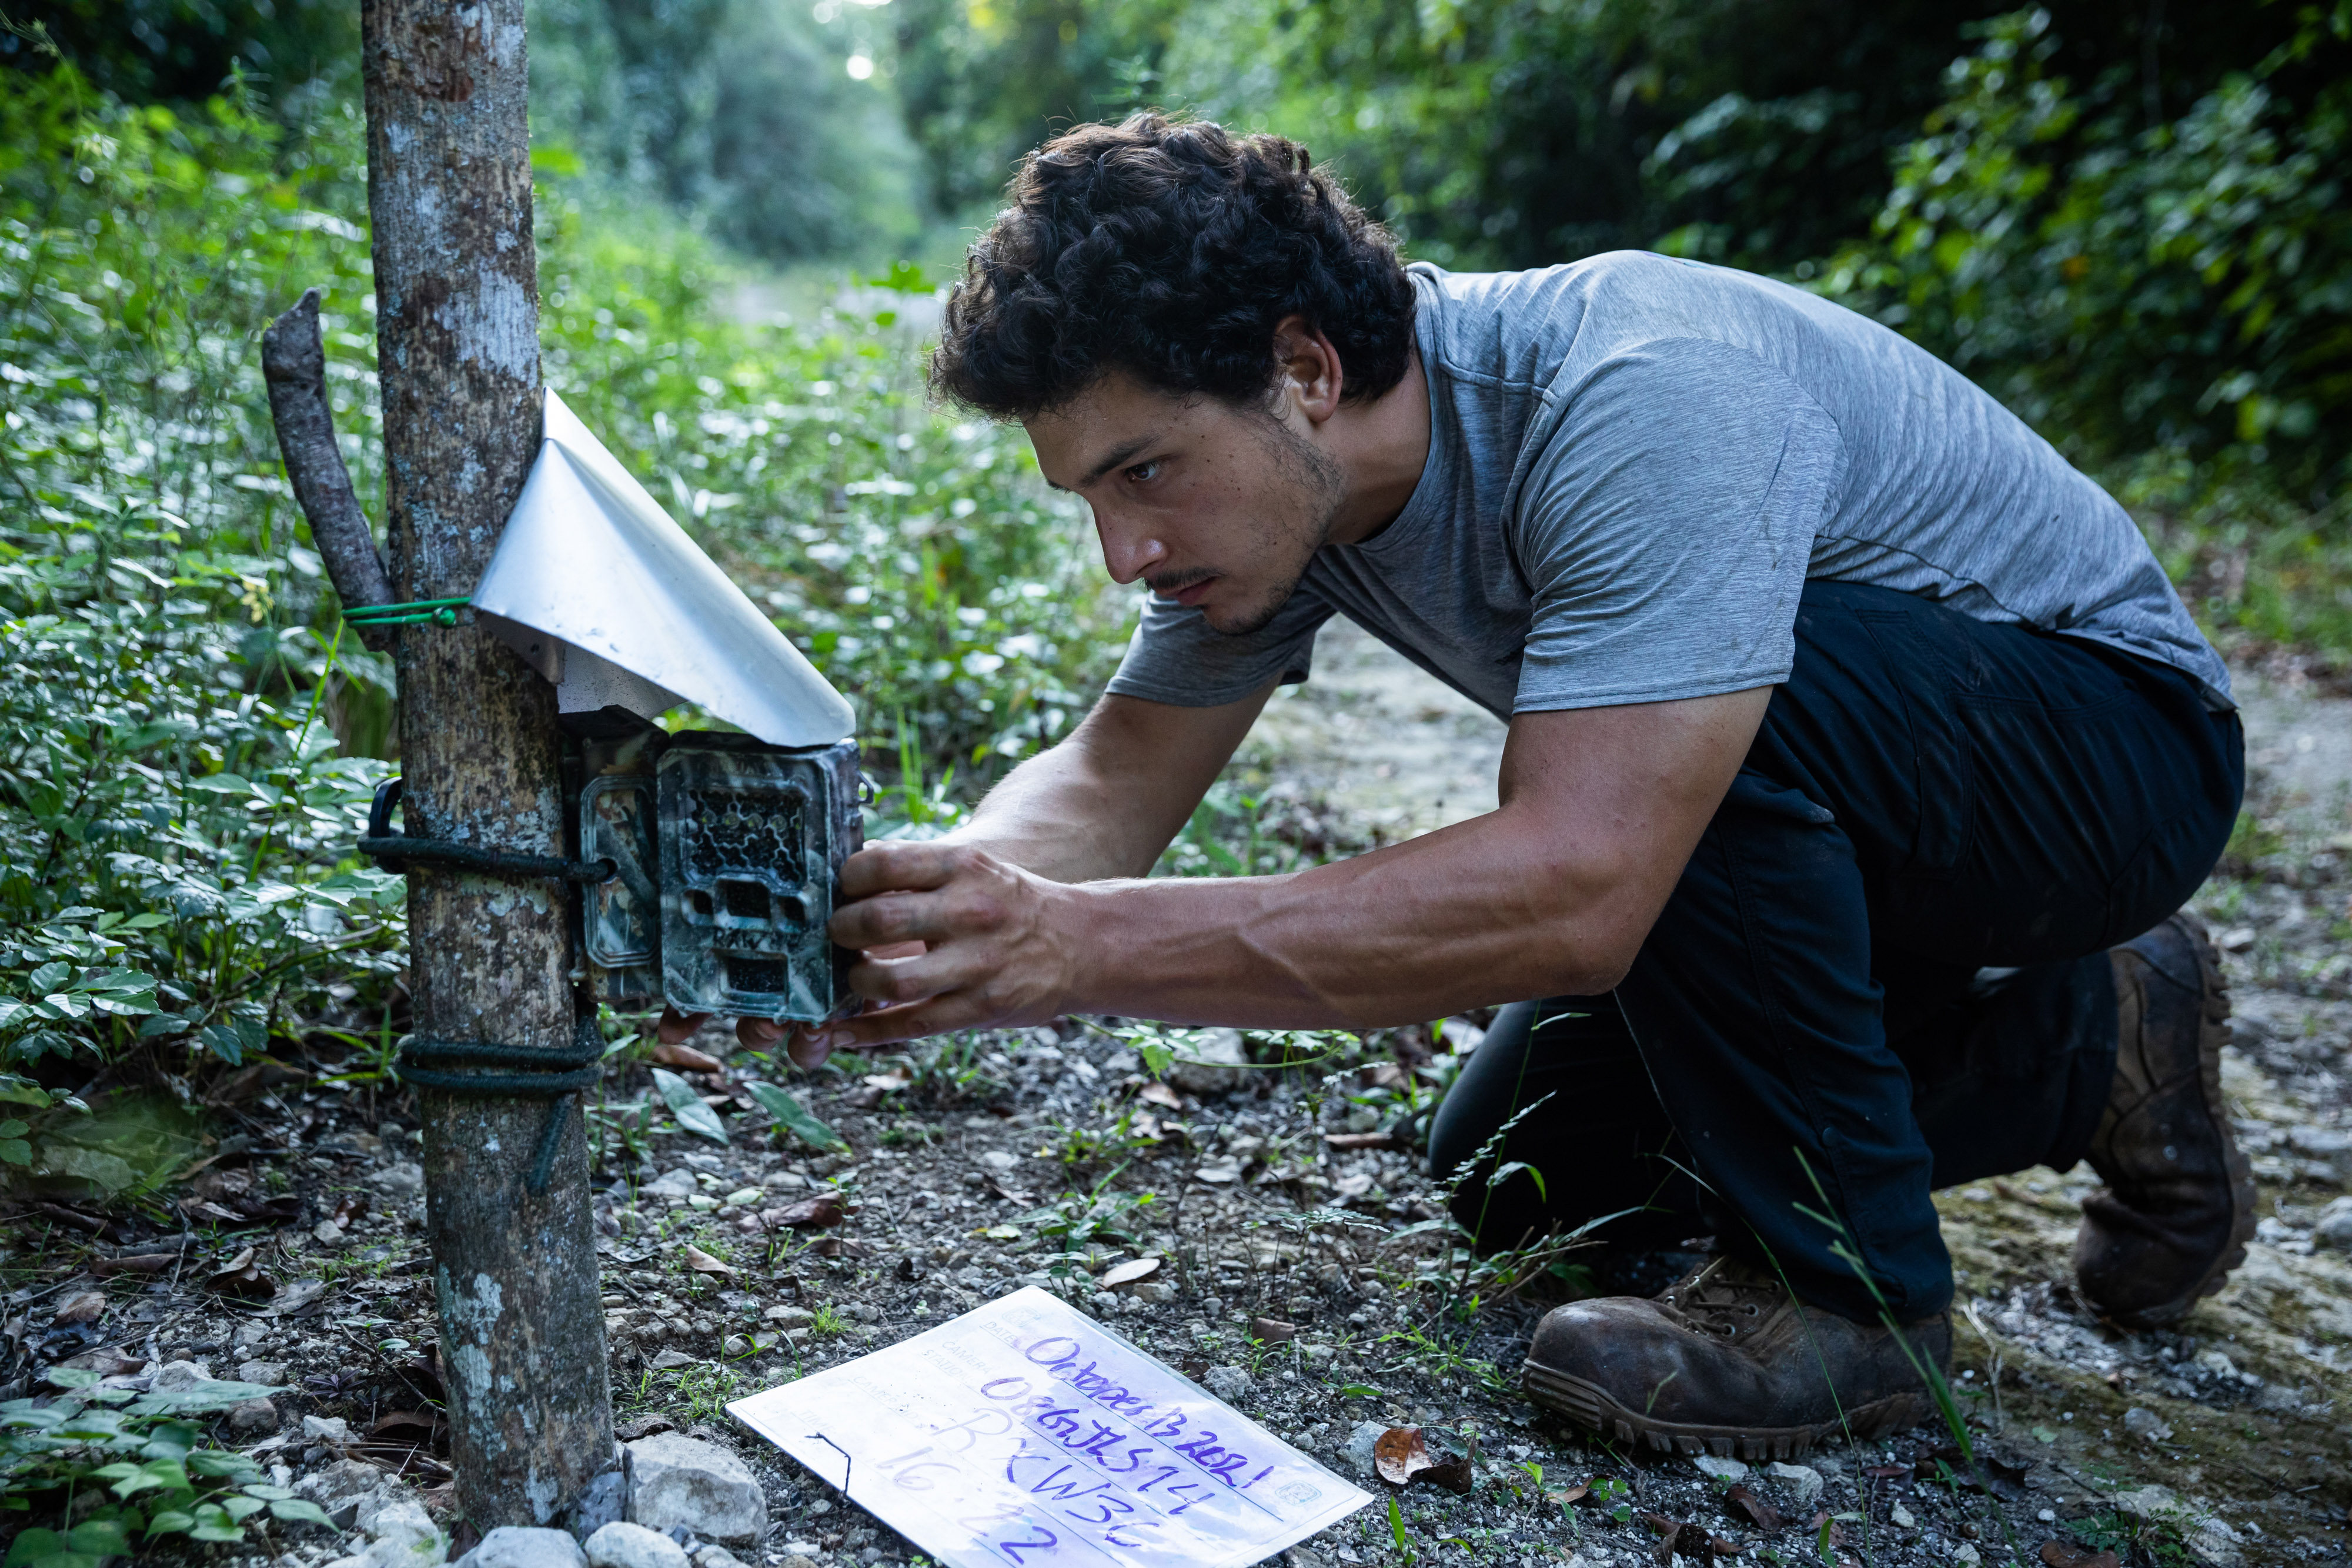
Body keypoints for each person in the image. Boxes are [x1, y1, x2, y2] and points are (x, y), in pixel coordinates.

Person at [664, 113, 2251, 1458]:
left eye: (1145, 472)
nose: (1124, 550)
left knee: (1702, 737)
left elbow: (1579, 885)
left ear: (1303, 368)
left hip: (2110, 753)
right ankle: (2092, 1034)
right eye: (1090, 495)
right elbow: (1105, 783)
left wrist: (1078, 949)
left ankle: (1850, 1296)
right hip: (1875, 806)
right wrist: (924, 920)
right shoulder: (1287, 508)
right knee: (1526, 1166)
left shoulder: (1642, 390)